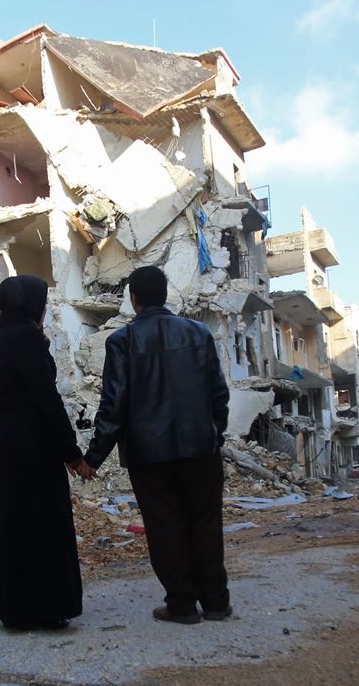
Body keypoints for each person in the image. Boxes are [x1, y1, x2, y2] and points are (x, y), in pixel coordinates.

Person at [81, 265, 232, 625]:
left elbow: (113, 405)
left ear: (133, 299)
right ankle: (216, 602)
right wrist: (214, 434)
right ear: (164, 296)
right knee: (206, 522)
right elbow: (219, 394)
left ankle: (181, 604)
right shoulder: (199, 333)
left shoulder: (122, 341)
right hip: (200, 448)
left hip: (149, 455)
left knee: (165, 526)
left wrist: (93, 458)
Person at [0, 274, 86, 630]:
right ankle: (47, 607)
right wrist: (71, 452)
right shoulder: (27, 338)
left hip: (5, 440)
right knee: (43, 521)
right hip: (33, 441)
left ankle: (15, 609)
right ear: (32, 306)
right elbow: (46, 398)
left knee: (13, 522)